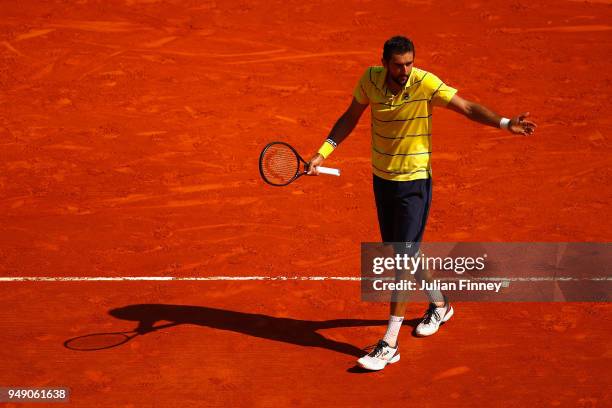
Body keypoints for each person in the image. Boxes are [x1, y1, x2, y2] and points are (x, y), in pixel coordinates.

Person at [307, 36, 536, 371]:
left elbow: (468, 107)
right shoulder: (369, 80)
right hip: (382, 180)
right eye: (399, 64)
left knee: (401, 256)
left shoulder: (425, 83)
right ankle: (440, 304)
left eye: (409, 63)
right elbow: (350, 117)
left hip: (414, 183)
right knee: (405, 252)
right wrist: (322, 152)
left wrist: (505, 123)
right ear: (384, 62)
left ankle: (389, 343)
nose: (405, 70)